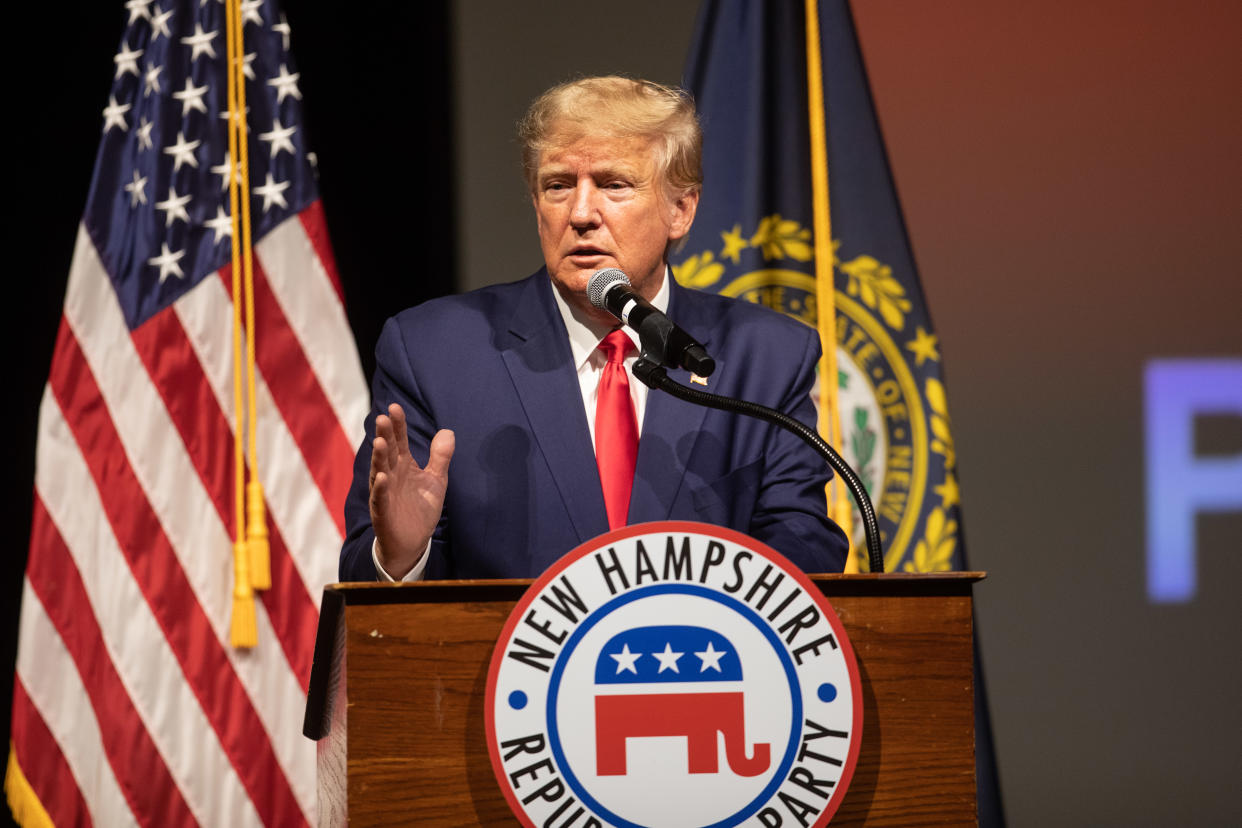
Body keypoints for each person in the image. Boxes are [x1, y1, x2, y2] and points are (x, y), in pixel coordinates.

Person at [339, 76, 848, 582]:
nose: (581, 214)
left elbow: (803, 547)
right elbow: (365, 580)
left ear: (681, 209)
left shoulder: (767, 356)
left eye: (613, 184)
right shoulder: (435, 352)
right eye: (558, 185)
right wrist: (404, 554)